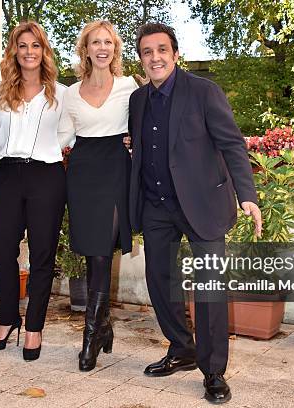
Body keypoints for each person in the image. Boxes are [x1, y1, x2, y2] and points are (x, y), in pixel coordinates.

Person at [128, 23, 262, 404]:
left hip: (202, 204)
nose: (155, 57)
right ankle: (181, 348)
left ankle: (214, 371)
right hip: (156, 206)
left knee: (209, 291)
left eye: (161, 50)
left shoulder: (204, 92)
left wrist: (246, 195)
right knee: (159, 281)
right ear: (141, 58)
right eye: (147, 52)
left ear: (175, 54)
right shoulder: (138, 100)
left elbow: (232, 145)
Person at [58, 20, 138, 372]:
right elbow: (63, 135)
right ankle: (103, 327)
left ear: (115, 49)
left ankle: (90, 337)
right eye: (95, 42)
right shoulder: (70, 93)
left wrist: (134, 141)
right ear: (85, 49)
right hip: (83, 171)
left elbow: (144, 125)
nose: (102, 48)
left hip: (116, 169)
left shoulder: (129, 86)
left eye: (108, 42)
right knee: (94, 253)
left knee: (103, 251)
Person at [0, 21, 66, 362]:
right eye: (23, 45)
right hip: (6, 175)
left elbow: (80, 133)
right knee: (2, 250)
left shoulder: (62, 94)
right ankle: (7, 320)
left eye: (36, 45)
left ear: (44, 51)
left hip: (47, 175)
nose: (29, 52)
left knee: (43, 255)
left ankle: (34, 327)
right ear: (14, 51)